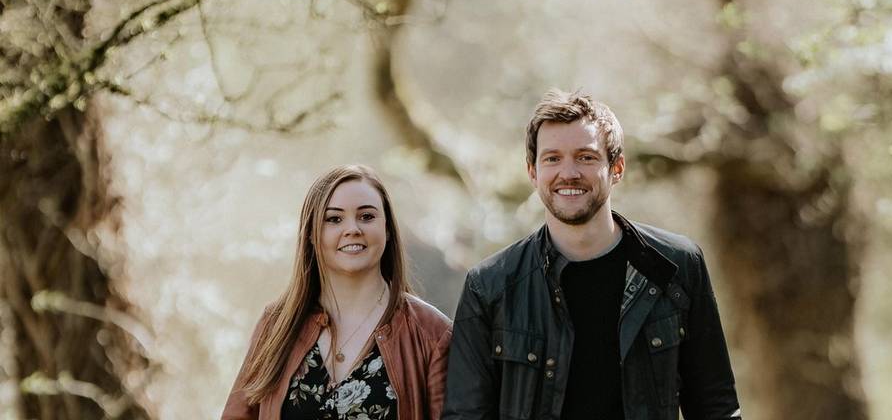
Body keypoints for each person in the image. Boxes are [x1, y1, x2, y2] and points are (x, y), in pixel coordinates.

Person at [441, 90, 742, 420]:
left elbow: (716, 406)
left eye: (585, 157)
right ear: (533, 172)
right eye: (552, 158)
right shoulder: (489, 286)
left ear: (617, 167)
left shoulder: (676, 266)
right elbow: (465, 415)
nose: (568, 173)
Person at [222, 164, 452, 420]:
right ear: (311, 233)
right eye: (334, 219)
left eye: (366, 216)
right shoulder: (275, 324)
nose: (352, 229)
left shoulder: (433, 335)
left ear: (387, 228)